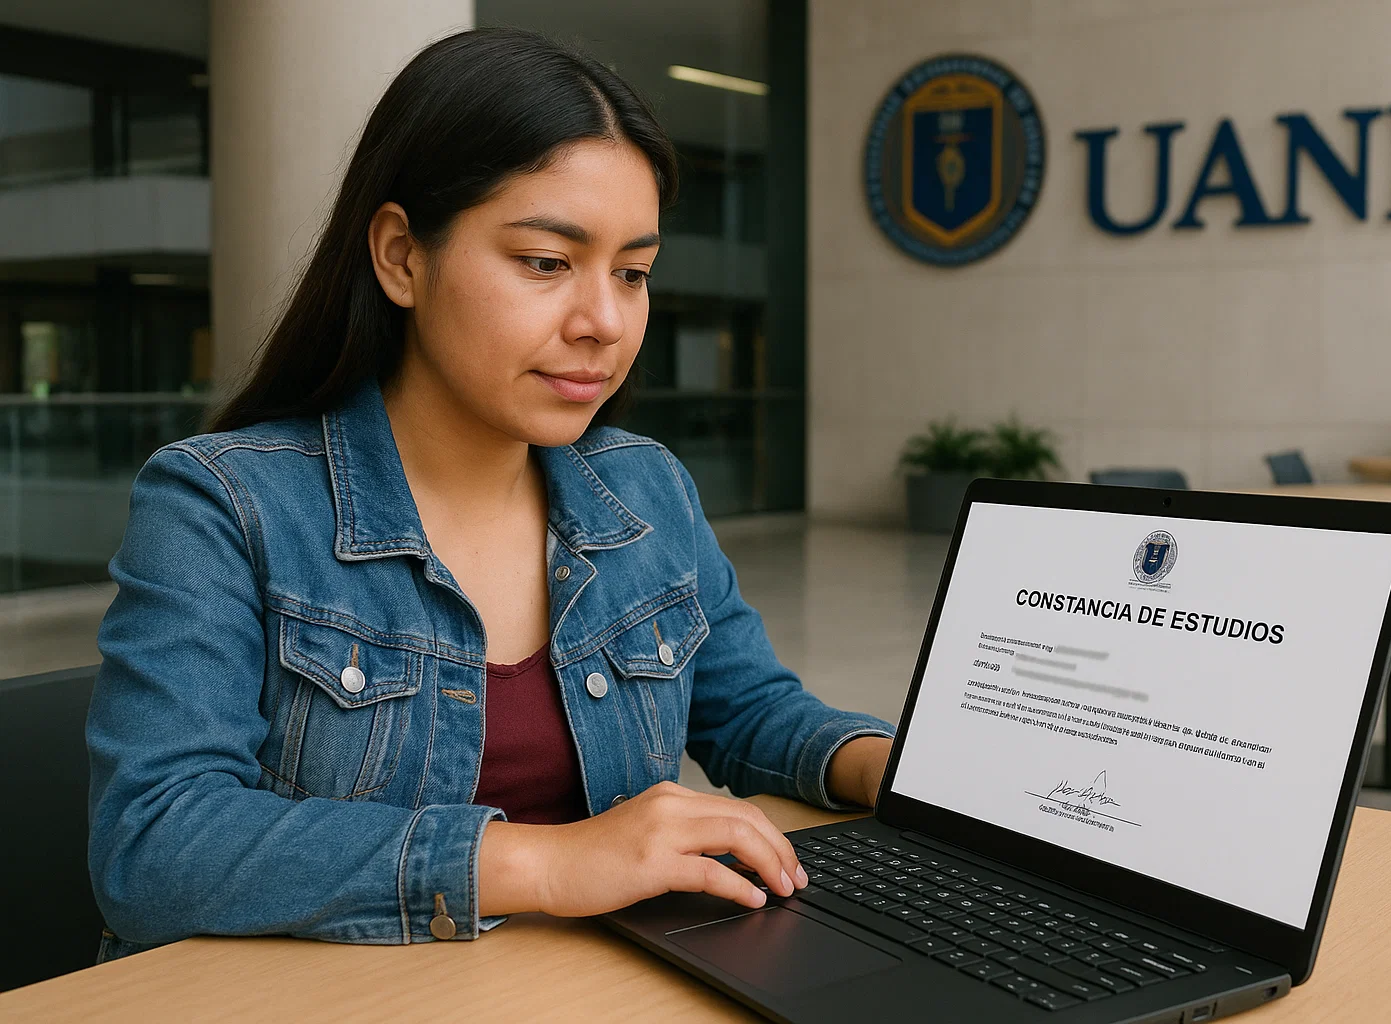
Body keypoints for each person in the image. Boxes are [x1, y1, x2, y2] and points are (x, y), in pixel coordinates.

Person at [86, 28, 894, 960]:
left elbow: (748, 711)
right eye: (547, 262)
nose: (603, 322)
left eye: (632, 273)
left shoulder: (643, 488)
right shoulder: (225, 505)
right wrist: (549, 864)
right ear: (400, 256)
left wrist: (896, 771)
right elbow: (153, 844)